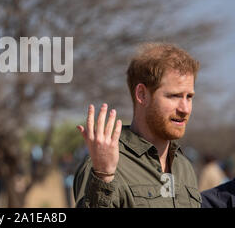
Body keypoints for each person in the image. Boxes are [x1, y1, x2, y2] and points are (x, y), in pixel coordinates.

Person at [74, 42, 202, 207]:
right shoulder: (103, 164)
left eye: (189, 97)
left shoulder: (185, 167)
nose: (185, 108)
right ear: (142, 94)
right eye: (174, 96)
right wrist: (103, 177)